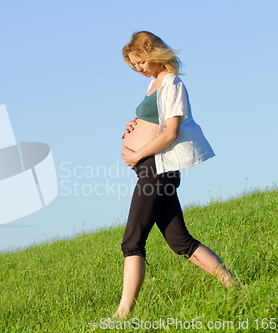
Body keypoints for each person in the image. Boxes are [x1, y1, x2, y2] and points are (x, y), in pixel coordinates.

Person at [115, 31, 236, 319]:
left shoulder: (172, 83)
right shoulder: (154, 84)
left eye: (140, 62)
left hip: (158, 170)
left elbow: (171, 131)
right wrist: (137, 123)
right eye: (134, 66)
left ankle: (122, 314)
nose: (138, 69)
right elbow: (154, 120)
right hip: (149, 169)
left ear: (153, 53)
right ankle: (234, 286)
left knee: (132, 241)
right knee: (180, 241)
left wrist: (136, 153)